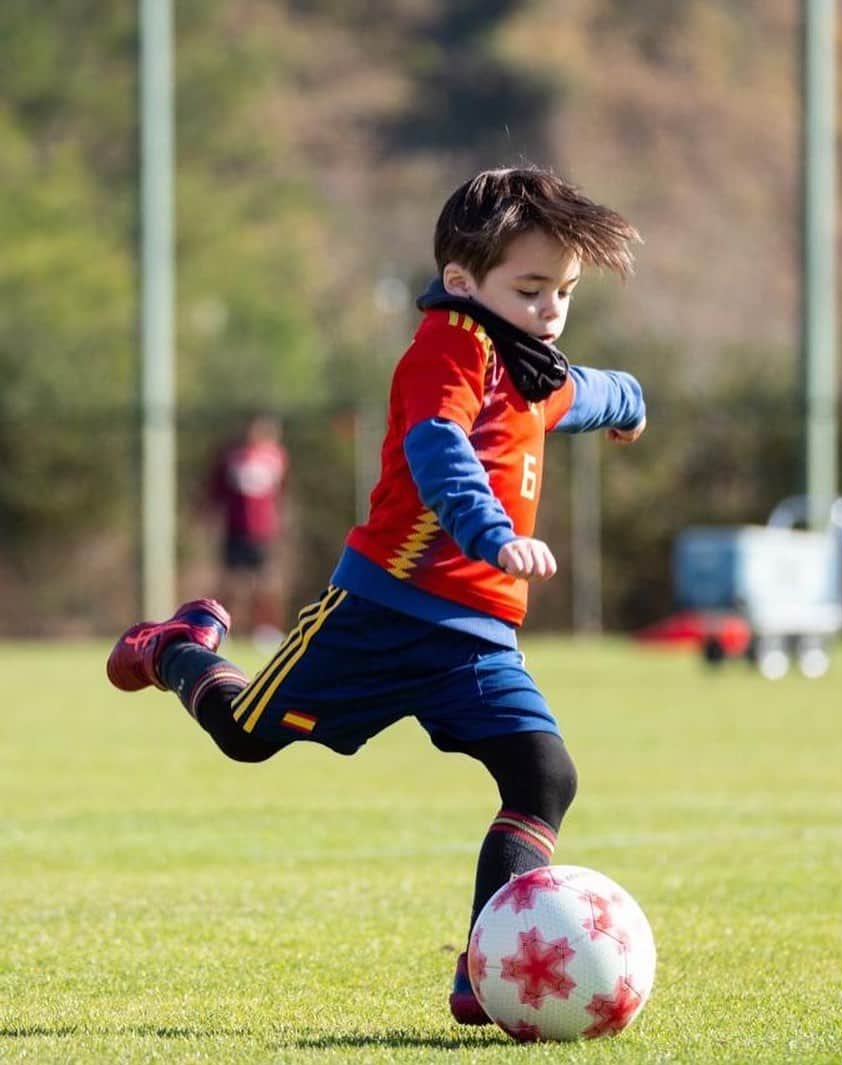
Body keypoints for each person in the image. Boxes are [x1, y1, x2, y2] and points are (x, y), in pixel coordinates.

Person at [106, 165, 646, 1025]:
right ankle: (177, 647)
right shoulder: (451, 349)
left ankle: (484, 968)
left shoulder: (530, 366)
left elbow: (582, 393)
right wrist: (489, 533)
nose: (551, 308)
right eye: (533, 288)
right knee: (246, 738)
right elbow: (439, 448)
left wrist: (632, 401)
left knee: (545, 775)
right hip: (382, 615)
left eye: (565, 292)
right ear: (466, 283)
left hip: (478, 643)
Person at [206, 413, 290, 642]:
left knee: (267, 583)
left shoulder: (277, 457)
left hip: (264, 532)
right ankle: (220, 628)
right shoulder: (232, 456)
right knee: (230, 582)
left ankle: (266, 629)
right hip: (236, 529)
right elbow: (217, 490)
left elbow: (281, 492)